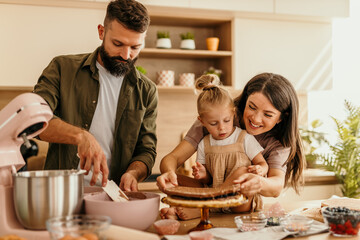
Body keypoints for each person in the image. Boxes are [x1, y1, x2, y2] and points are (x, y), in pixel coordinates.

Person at [33, 0, 157, 191]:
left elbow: (146, 151)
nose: (126, 55)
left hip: (110, 197)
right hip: (60, 194)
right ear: (101, 32)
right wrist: (81, 137)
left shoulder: (147, 90)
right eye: (118, 43)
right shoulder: (61, 68)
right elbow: (34, 121)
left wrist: (133, 173)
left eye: (135, 47)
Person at [157, 72, 305, 220]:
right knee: (173, 179)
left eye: (267, 114)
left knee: (244, 171)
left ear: (281, 118)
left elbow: (277, 185)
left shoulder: (279, 141)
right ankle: (183, 211)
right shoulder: (219, 115)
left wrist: (259, 181)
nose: (255, 118)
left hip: (239, 200)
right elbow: (172, 158)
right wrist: (169, 173)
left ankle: (203, 208)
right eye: (252, 107)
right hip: (209, 188)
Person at [192, 74, 268, 188]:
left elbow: (263, 164)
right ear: (201, 121)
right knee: (178, 179)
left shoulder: (244, 138)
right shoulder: (204, 144)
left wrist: (260, 169)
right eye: (213, 123)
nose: (221, 127)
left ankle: (217, 196)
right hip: (216, 199)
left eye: (227, 120)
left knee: (243, 171)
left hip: (241, 198)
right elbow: (208, 181)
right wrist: (203, 175)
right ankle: (218, 197)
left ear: (233, 114)